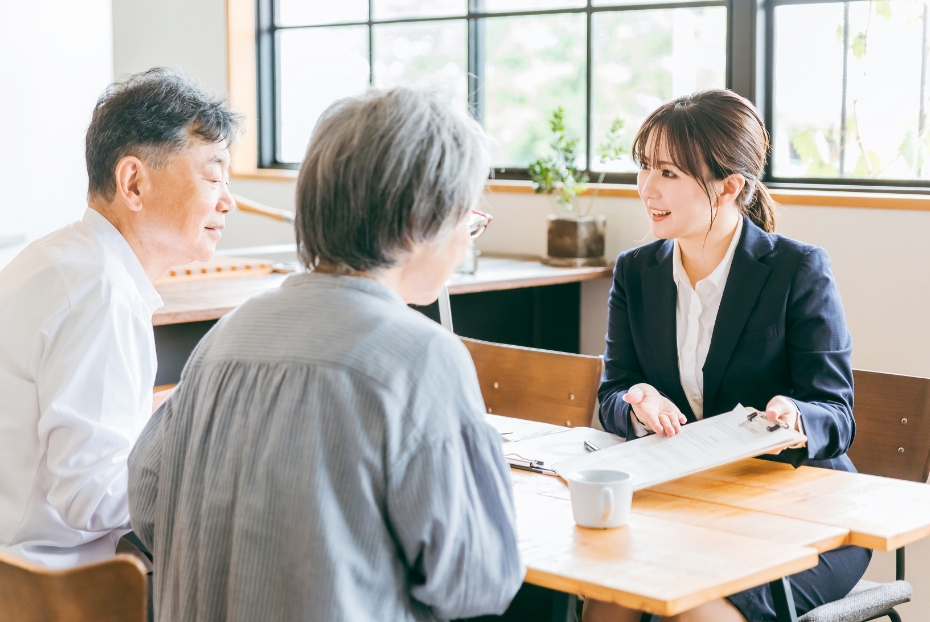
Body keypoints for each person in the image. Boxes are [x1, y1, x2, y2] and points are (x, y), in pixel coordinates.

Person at [127, 87, 524, 622]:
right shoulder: (421, 355)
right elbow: (477, 581)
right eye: (467, 218)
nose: (466, 240)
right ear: (420, 222)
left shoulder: (225, 338)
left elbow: (148, 505)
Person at [584, 90, 869, 622]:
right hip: (688, 502)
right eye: (644, 167)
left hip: (805, 512)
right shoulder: (635, 271)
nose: (647, 187)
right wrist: (635, 401)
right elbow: (613, 394)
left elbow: (837, 414)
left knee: (689, 611)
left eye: (668, 173)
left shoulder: (798, 269)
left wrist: (795, 416)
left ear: (730, 185)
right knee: (608, 594)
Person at [0, 68, 239, 568]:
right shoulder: (102, 293)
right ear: (133, 182)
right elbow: (91, 495)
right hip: (50, 587)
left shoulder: (59, 259)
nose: (227, 201)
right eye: (213, 176)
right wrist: (213, 468)